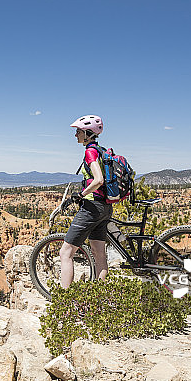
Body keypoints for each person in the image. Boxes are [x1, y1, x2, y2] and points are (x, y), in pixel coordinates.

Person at [60, 115, 113, 288]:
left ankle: (63, 297)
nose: (75, 135)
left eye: (78, 131)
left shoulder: (90, 152)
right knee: (99, 255)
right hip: (105, 207)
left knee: (66, 253)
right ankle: (100, 295)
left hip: (91, 208)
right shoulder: (101, 150)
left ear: (88, 133)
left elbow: (98, 180)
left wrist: (81, 195)